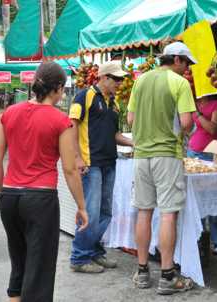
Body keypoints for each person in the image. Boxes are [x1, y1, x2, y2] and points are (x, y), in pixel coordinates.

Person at [0, 62, 89, 302]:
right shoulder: (60, 120)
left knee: (20, 266)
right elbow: (70, 169)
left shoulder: (9, 113)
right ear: (57, 88)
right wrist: (81, 206)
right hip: (40, 199)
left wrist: (0, 191)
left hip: (10, 197)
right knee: (39, 271)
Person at [127, 41, 197, 294]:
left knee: (144, 211)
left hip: (141, 155)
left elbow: (131, 119)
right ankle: (167, 276)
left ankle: (142, 271)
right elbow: (187, 122)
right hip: (167, 154)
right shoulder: (179, 84)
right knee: (168, 213)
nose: (187, 69)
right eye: (186, 63)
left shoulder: (141, 80)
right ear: (176, 59)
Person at [69, 61, 133, 273]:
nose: (119, 83)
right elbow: (72, 125)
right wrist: (77, 157)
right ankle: (79, 257)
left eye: (120, 79)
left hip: (109, 163)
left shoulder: (113, 104)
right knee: (91, 211)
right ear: (104, 77)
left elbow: (114, 135)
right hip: (91, 165)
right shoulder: (84, 96)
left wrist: (134, 142)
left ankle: (94, 251)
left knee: (105, 212)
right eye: (116, 79)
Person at [187, 94, 217, 256]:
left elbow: (212, 128)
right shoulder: (197, 102)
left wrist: (198, 114)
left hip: (209, 154)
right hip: (193, 152)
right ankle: (198, 237)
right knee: (195, 198)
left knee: (213, 196)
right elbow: (189, 125)